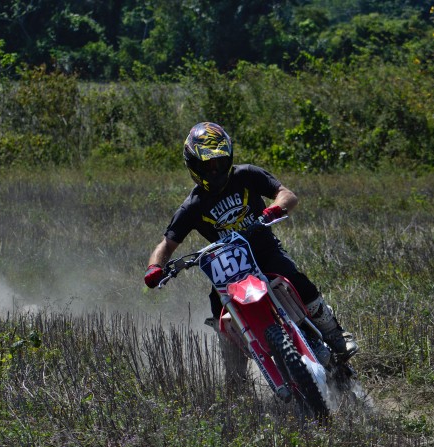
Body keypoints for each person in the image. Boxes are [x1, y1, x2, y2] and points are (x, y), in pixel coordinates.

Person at [144, 122, 358, 382]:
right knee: (220, 314)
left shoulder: (247, 175)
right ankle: (236, 376)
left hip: (265, 251)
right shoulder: (192, 206)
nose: (214, 170)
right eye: (207, 166)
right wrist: (154, 268)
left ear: (229, 158)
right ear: (193, 167)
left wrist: (275, 209)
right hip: (227, 270)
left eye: (219, 163)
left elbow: (286, 195)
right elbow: (166, 245)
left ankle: (336, 336)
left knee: (294, 277)